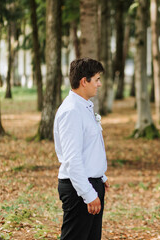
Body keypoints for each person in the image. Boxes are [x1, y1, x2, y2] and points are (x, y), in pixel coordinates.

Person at [54, 58, 109, 240]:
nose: (99, 84)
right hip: (79, 187)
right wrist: (88, 193)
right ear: (84, 81)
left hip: (91, 182)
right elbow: (72, 158)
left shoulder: (83, 106)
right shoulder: (71, 111)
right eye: (96, 79)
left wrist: (101, 177)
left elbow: (89, 147)